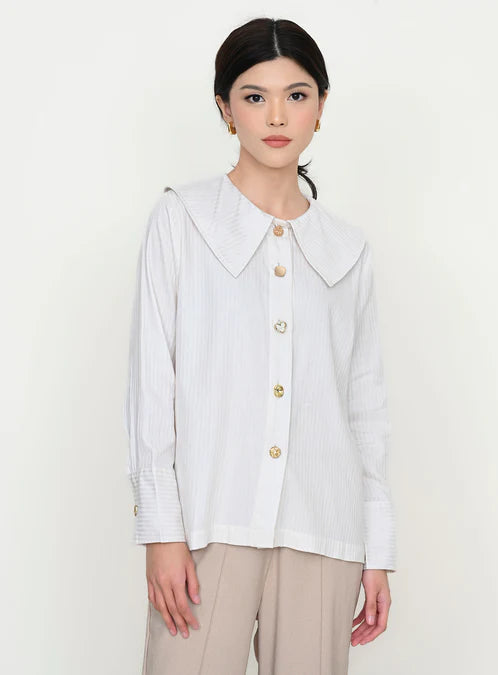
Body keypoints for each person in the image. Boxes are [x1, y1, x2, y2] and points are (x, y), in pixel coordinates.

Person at [123, 16, 397, 675]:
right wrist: (161, 531)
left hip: (323, 530)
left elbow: (365, 410)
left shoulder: (348, 251)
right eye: (254, 96)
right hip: (209, 524)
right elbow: (152, 385)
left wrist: (378, 550)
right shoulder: (181, 221)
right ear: (225, 109)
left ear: (321, 107)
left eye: (296, 95)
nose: (276, 116)